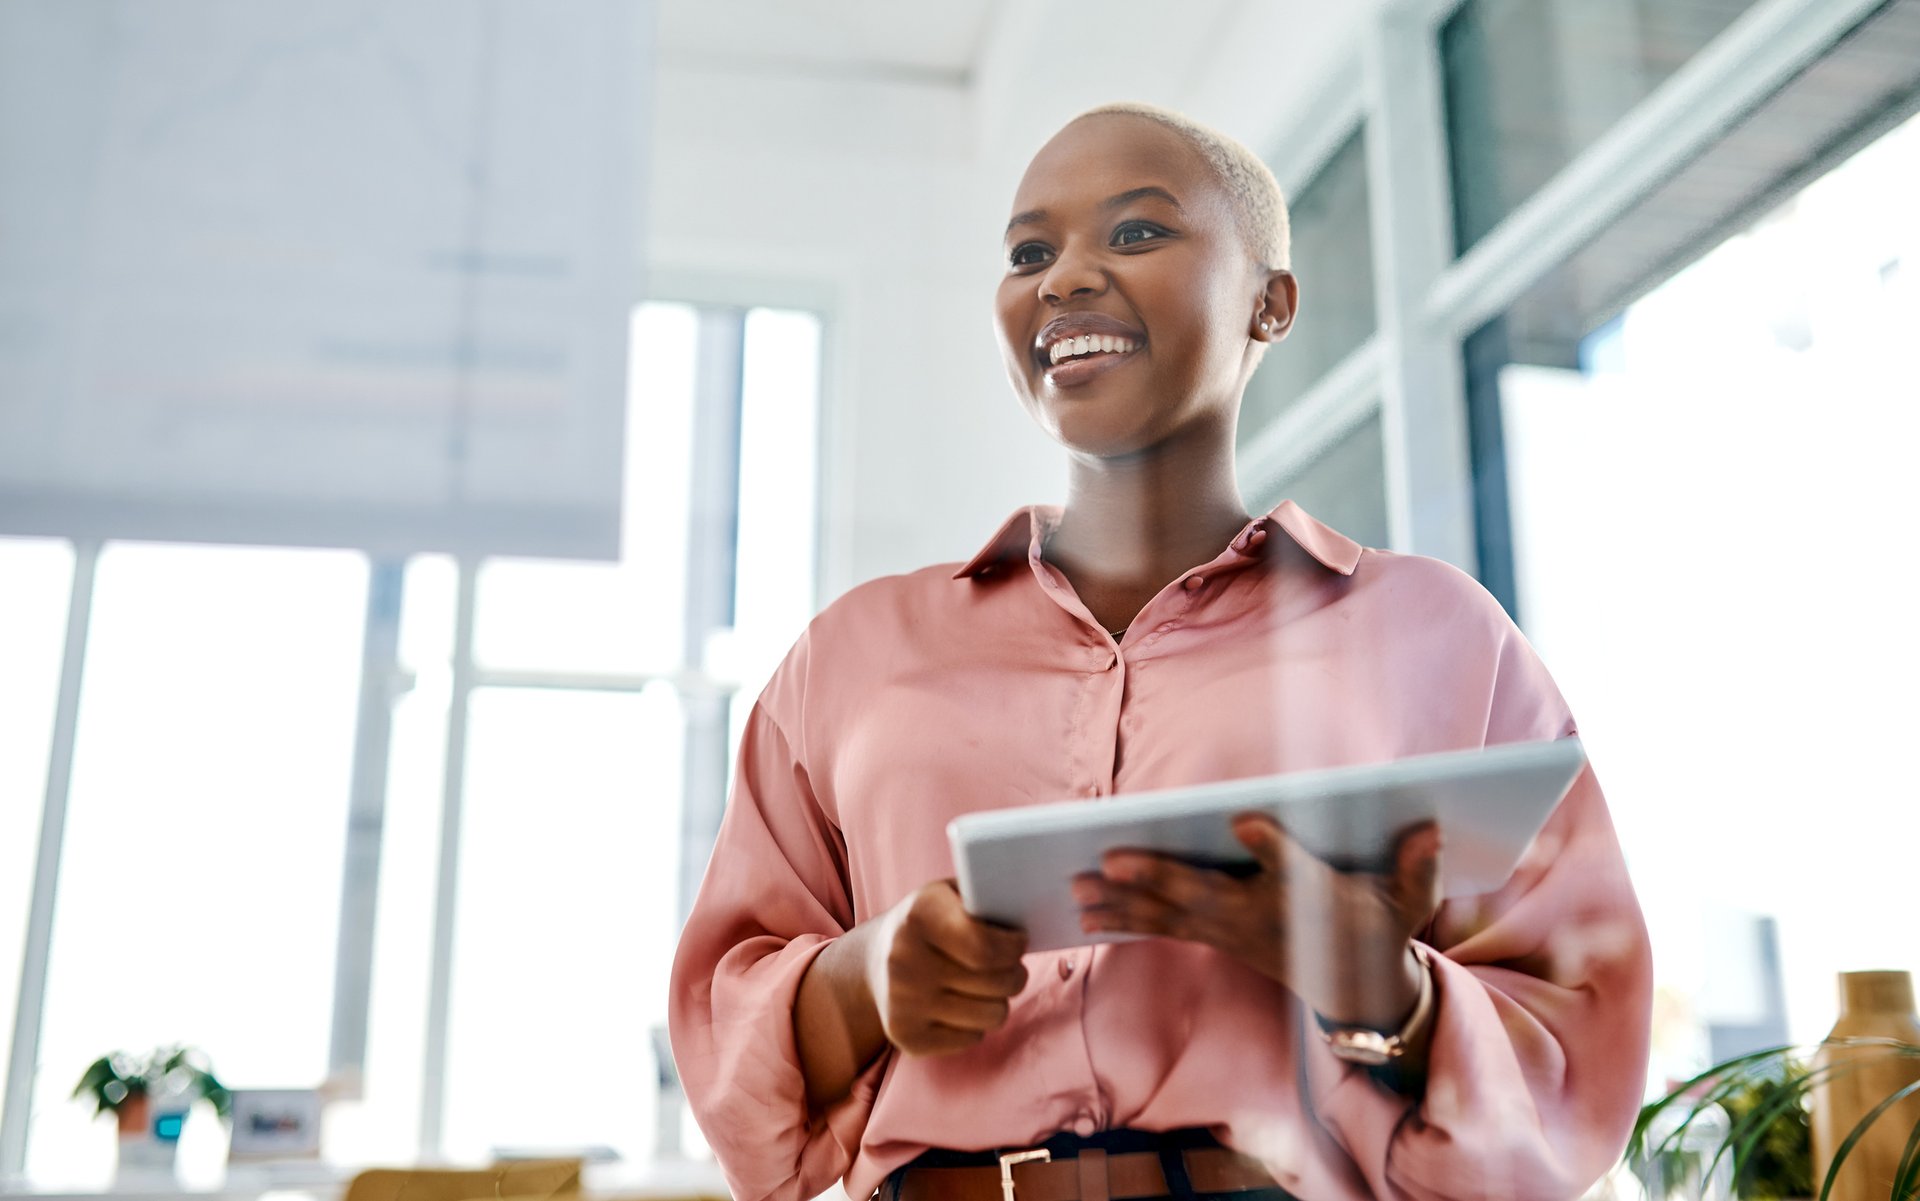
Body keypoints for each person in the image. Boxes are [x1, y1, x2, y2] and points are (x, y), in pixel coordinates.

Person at [668, 102, 1652, 1201]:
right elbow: (725, 1039)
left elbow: (1581, 1062)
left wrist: (1390, 992)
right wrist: (857, 983)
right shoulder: (849, 654)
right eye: (1030, 253)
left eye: (1134, 233)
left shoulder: (1441, 635)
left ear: (1271, 302)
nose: (1064, 278)